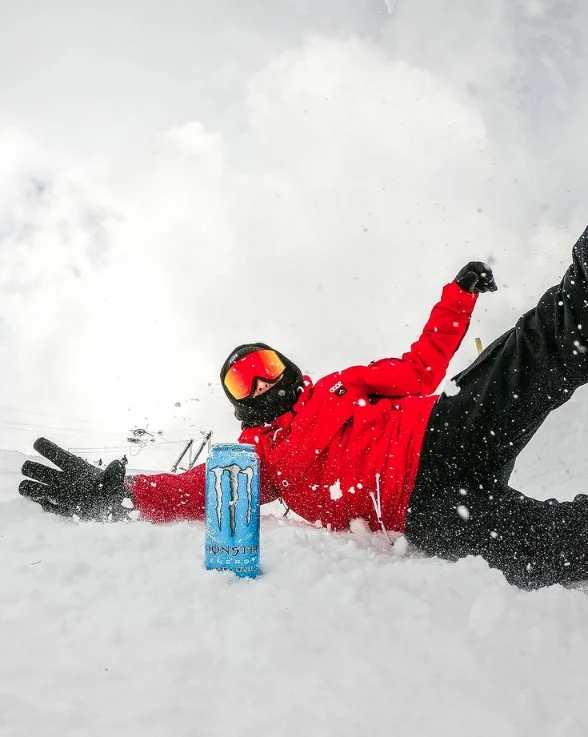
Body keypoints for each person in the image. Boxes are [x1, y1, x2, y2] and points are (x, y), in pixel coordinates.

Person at [19, 225, 588, 589]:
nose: (259, 384)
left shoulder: (339, 387)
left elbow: (421, 368)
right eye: (242, 383)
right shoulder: (257, 458)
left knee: (543, 346)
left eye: (263, 367)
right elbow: (195, 491)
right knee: (548, 549)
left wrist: (457, 297)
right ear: (238, 405)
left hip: (442, 431)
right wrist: (119, 493)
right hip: (425, 511)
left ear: (286, 365)